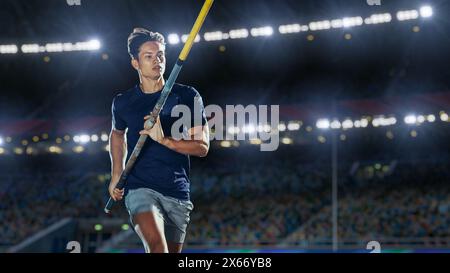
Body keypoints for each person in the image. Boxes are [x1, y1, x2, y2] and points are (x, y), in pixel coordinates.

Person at [108, 27, 209, 253]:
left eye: (161, 55)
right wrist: (116, 174)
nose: (157, 61)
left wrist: (165, 140)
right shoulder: (123, 102)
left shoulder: (187, 96)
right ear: (135, 63)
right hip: (139, 188)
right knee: (157, 247)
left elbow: (202, 147)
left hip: (177, 192)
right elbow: (117, 135)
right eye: (149, 56)